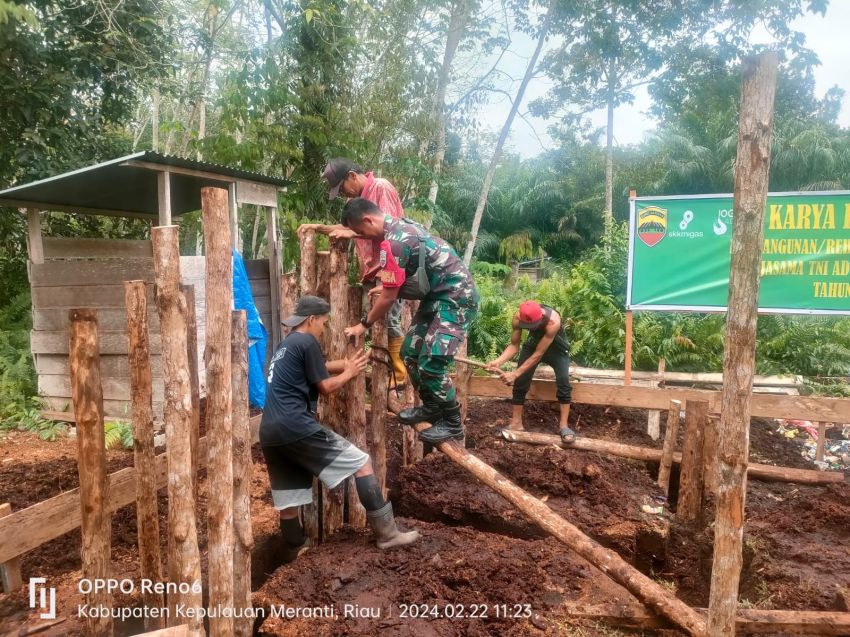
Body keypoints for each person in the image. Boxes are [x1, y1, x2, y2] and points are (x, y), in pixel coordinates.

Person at [259, 295, 419, 562]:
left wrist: (346, 363)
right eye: (323, 322)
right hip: (295, 425)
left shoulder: (286, 346)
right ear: (311, 320)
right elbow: (326, 386)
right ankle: (388, 534)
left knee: (289, 500)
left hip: (270, 433)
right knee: (362, 462)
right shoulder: (308, 341)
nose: (323, 328)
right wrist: (349, 374)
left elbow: (316, 369)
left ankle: (295, 551)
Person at [341, 198, 479, 444]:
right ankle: (432, 407)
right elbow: (400, 276)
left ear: (368, 219)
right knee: (409, 354)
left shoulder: (393, 243)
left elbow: (388, 299)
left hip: (456, 298)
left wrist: (363, 324)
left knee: (432, 362)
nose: (364, 237)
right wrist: (386, 286)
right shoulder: (402, 226)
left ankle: (453, 423)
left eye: (361, 232)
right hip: (436, 298)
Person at [297, 158, 408, 389]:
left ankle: (399, 374)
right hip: (372, 270)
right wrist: (317, 227)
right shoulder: (357, 200)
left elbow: (390, 228)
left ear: (351, 176)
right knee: (378, 323)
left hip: (388, 266)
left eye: (342, 188)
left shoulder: (380, 188)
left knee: (389, 320)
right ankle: (384, 370)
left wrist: (353, 234)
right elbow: (349, 229)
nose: (342, 194)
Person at [486, 300, 575, 441]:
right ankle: (516, 423)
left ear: (540, 317)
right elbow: (514, 346)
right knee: (521, 381)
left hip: (557, 348)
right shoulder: (517, 318)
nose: (530, 328)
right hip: (533, 345)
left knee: (563, 382)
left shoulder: (553, 322)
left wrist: (514, 374)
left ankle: (564, 426)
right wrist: (498, 362)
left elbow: (538, 354)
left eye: (533, 326)